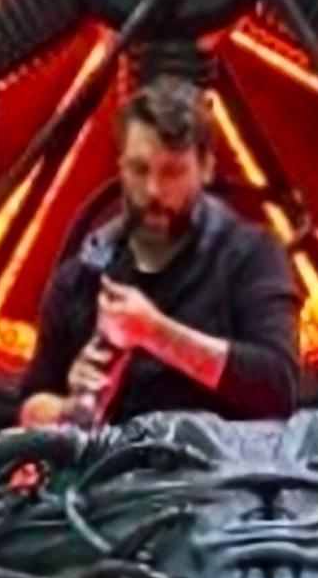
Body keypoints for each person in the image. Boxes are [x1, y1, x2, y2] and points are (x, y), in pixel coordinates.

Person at [17, 76, 301, 427]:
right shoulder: (82, 276)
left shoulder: (251, 256)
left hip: (221, 460)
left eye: (172, 172)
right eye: (139, 169)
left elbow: (278, 388)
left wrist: (155, 333)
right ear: (120, 166)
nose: (153, 190)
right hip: (114, 460)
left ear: (206, 168)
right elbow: (30, 405)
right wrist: (72, 408)